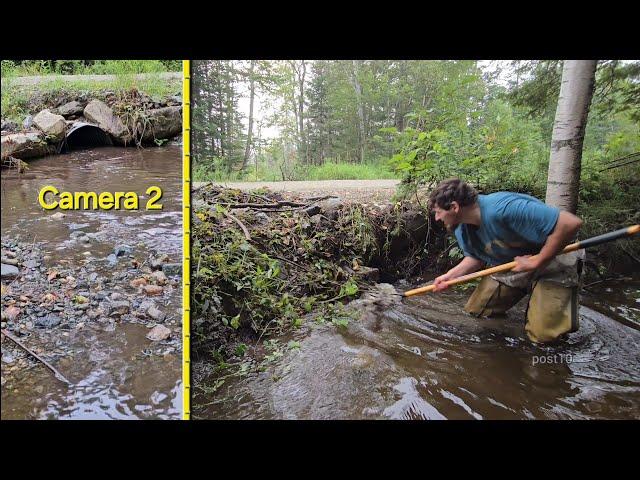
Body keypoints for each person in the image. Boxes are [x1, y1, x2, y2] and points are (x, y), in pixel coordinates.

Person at [429, 178, 584, 343]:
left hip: (557, 256)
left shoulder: (504, 208)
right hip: (517, 262)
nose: (437, 218)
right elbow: (476, 258)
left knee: (544, 338)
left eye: (438, 212)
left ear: (454, 207)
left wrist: (537, 261)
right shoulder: (461, 228)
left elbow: (570, 223)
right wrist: (451, 276)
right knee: (478, 312)